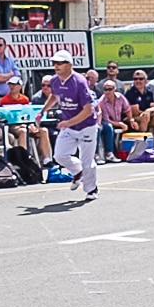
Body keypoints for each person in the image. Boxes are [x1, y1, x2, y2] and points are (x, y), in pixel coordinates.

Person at [42, 50, 99, 197]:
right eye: (54, 63)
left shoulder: (79, 82)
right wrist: (42, 111)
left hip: (86, 126)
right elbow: (54, 96)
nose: (56, 66)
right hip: (69, 126)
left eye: (60, 63)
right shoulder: (54, 80)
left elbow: (87, 110)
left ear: (69, 65)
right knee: (59, 156)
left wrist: (67, 122)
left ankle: (91, 190)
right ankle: (77, 171)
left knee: (87, 161)